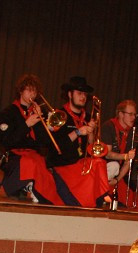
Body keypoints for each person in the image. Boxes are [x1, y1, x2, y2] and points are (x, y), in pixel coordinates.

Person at [0, 73, 60, 204]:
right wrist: (26, 125)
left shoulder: (38, 112)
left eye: (35, 91)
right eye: (29, 90)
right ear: (20, 91)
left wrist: (41, 122)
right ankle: (30, 188)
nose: (32, 94)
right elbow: (6, 141)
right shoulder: (8, 113)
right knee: (30, 163)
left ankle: (36, 190)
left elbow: (44, 143)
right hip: (15, 156)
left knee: (41, 167)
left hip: (34, 156)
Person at [47, 76, 110, 208]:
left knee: (99, 162)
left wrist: (92, 132)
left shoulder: (87, 117)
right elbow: (56, 147)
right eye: (79, 93)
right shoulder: (59, 115)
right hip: (63, 166)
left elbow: (91, 149)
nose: (83, 97)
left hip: (80, 165)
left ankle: (102, 198)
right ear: (70, 94)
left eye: (85, 94)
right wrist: (78, 132)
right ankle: (99, 199)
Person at [99, 99, 137, 203]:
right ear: (120, 114)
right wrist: (125, 156)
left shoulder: (132, 132)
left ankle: (109, 190)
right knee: (114, 166)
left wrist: (117, 180)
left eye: (134, 114)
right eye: (130, 114)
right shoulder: (108, 126)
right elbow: (107, 154)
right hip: (103, 168)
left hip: (117, 173)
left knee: (130, 200)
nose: (133, 117)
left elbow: (128, 162)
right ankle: (100, 192)